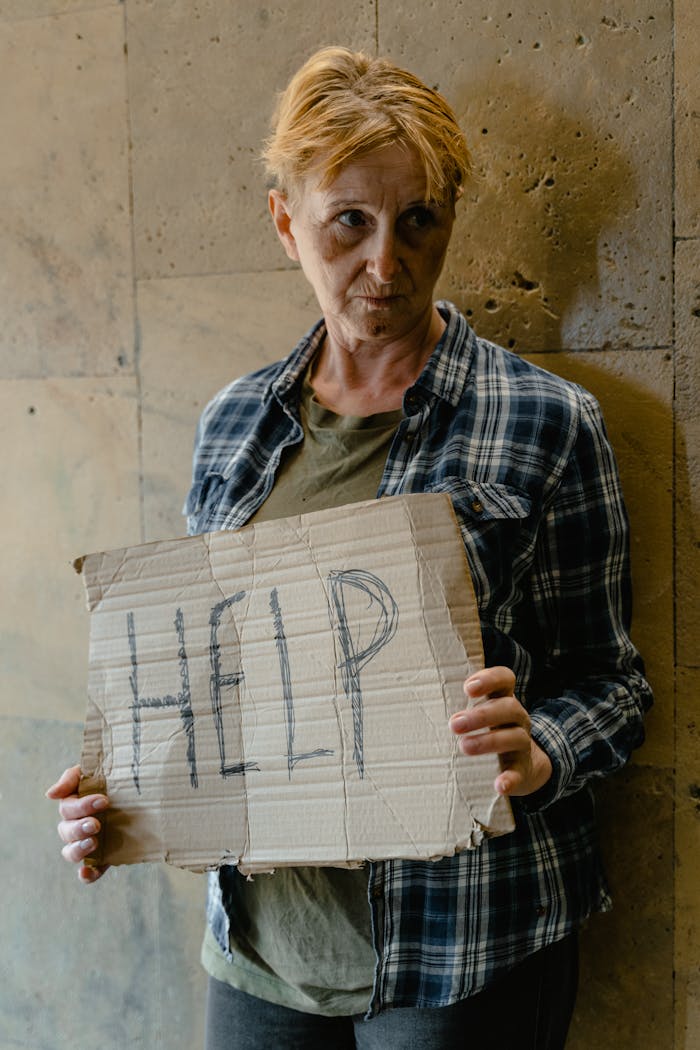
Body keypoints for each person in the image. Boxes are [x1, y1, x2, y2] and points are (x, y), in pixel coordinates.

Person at [47, 46, 653, 1049]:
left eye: (417, 220)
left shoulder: (546, 422)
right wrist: (116, 788)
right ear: (287, 224)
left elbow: (615, 686)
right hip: (260, 951)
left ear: (450, 217)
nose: (386, 264)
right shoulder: (232, 423)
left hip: (461, 952)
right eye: (349, 224)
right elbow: (207, 680)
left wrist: (540, 750)